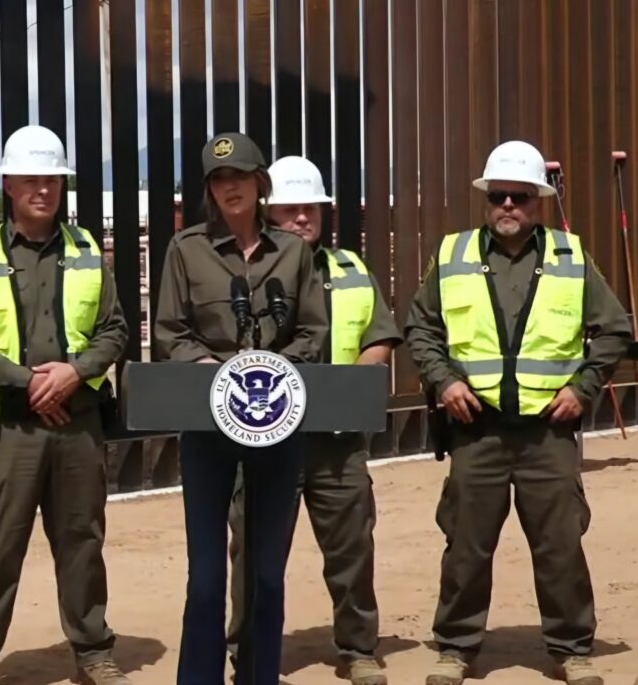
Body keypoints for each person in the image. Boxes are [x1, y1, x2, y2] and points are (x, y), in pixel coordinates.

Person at [404, 140, 631, 685]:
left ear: (538, 200)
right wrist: (444, 381)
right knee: (466, 546)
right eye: (499, 195)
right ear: (487, 199)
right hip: (475, 430)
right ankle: (456, 647)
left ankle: (572, 649)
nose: (508, 205)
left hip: (547, 433)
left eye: (520, 196)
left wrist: (583, 388)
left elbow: (615, 330)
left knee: (560, 546)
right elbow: (420, 328)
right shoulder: (453, 255)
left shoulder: (570, 257)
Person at [0, 125, 130, 685]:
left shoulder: (86, 249)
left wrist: (73, 373)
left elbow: (115, 331)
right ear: (9, 185)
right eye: (30, 179)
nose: (42, 188)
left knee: (81, 543)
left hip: (77, 425)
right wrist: (27, 383)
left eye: (51, 178)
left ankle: (93, 652)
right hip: (8, 430)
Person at [154, 133, 328, 685]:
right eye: (219, 179)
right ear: (210, 189)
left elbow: (314, 331)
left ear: (260, 183)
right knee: (206, 577)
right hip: (208, 427)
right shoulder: (186, 250)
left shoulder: (293, 252)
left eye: (240, 177)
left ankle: (259, 675)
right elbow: (169, 331)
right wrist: (208, 365)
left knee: (266, 576)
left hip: (277, 422)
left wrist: (272, 370)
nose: (230, 187)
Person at [227, 156, 403, 685]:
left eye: (311, 208)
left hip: (336, 441)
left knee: (352, 550)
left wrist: (347, 392)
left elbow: (379, 337)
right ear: (267, 213)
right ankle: (251, 654)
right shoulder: (242, 271)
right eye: (290, 210)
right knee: (255, 555)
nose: (302, 218)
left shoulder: (351, 268)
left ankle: (358, 649)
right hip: (264, 439)